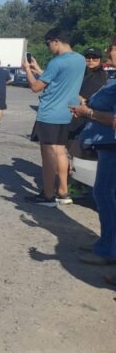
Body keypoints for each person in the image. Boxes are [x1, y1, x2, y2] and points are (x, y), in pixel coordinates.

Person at [23, 28, 86, 207]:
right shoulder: (80, 59)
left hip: (49, 112)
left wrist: (28, 70)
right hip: (65, 112)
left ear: (55, 41)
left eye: (48, 43)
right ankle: (63, 192)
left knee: (48, 154)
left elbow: (35, 87)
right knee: (60, 151)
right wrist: (39, 69)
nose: (49, 47)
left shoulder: (57, 62)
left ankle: (48, 195)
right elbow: (58, 80)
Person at [69, 67, 116, 268]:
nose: (108, 51)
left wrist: (87, 112)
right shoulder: (113, 77)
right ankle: (106, 243)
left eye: (112, 47)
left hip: (112, 145)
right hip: (105, 144)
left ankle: (108, 250)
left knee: (106, 195)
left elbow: (113, 118)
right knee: (103, 195)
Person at [68, 47, 109, 144]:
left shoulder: (103, 76)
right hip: (73, 115)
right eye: (87, 58)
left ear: (100, 59)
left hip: (90, 117)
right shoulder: (78, 73)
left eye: (94, 58)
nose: (91, 60)